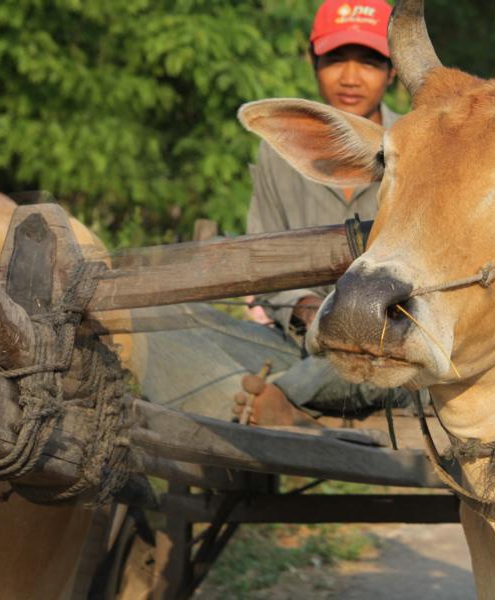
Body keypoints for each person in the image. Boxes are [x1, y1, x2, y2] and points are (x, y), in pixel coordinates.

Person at [135, 0, 413, 427]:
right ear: (312, 60)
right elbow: (262, 264)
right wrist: (302, 307)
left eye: (370, 62)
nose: (351, 77)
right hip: (300, 343)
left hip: (388, 353)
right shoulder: (281, 148)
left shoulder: (418, 149)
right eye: (336, 59)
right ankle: (266, 399)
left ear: (393, 71)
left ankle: (276, 397)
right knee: (151, 318)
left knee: (387, 345)